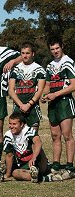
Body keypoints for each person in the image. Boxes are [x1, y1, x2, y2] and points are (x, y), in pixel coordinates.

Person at [41, 36, 75, 179]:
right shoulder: (50, 65)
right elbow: (48, 85)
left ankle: (70, 166)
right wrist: (45, 95)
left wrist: (56, 94)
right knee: (55, 135)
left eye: (57, 48)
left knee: (67, 135)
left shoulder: (68, 62)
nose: (55, 51)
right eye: (52, 49)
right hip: (53, 104)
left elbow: (73, 85)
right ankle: (55, 165)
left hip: (65, 102)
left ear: (62, 47)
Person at [0, 113, 63, 182]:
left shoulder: (28, 131)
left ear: (22, 124)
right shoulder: (8, 135)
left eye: (14, 124)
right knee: (15, 173)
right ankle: (45, 177)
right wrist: (8, 174)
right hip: (22, 165)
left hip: (36, 162)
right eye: (10, 123)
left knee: (34, 145)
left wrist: (33, 158)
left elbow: (38, 142)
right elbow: (9, 155)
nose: (11, 126)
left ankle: (42, 171)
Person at [9, 41, 46, 131]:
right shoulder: (15, 70)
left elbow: (40, 90)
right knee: (18, 138)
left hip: (33, 108)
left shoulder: (39, 69)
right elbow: (11, 90)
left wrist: (29, 105)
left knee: (33, 137)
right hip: (18, 107)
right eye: (23, 53)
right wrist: (21, 105)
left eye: (27, 53)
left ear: (33, 54)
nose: (25, 56)